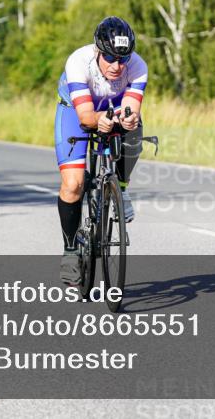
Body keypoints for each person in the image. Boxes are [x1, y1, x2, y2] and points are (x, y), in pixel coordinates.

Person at [55, 16, 147, 286]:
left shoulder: (138, 66)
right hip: (74, 110)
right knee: (73, 184)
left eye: (123, 58)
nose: (118, 66)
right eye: (110, 58)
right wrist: (100, 121)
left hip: (113, 105)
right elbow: (85, 117)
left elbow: (131, 107)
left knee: (135, 130)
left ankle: (120, 187)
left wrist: (128, 119)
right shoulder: (78, 62)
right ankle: (71, 251)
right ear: (98, 51)